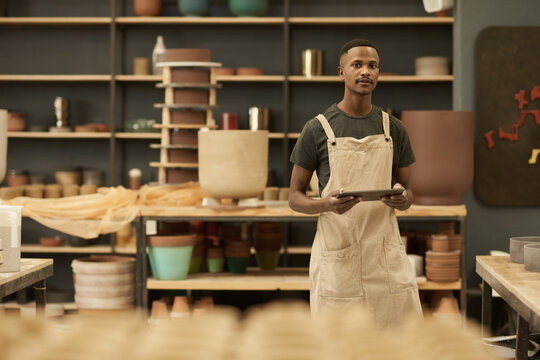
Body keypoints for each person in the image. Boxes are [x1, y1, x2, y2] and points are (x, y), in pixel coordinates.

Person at [288, 38, 422, 327]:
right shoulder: (317, 129)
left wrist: (403, 199)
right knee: (340, 345)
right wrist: (325, 205)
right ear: (341, 72)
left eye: (373, 66)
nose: (366, 72)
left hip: (384, 257)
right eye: (357, 65)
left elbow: (409, 192)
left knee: (395, 341)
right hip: (339, 256)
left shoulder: (394, 129)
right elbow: (294, 197)